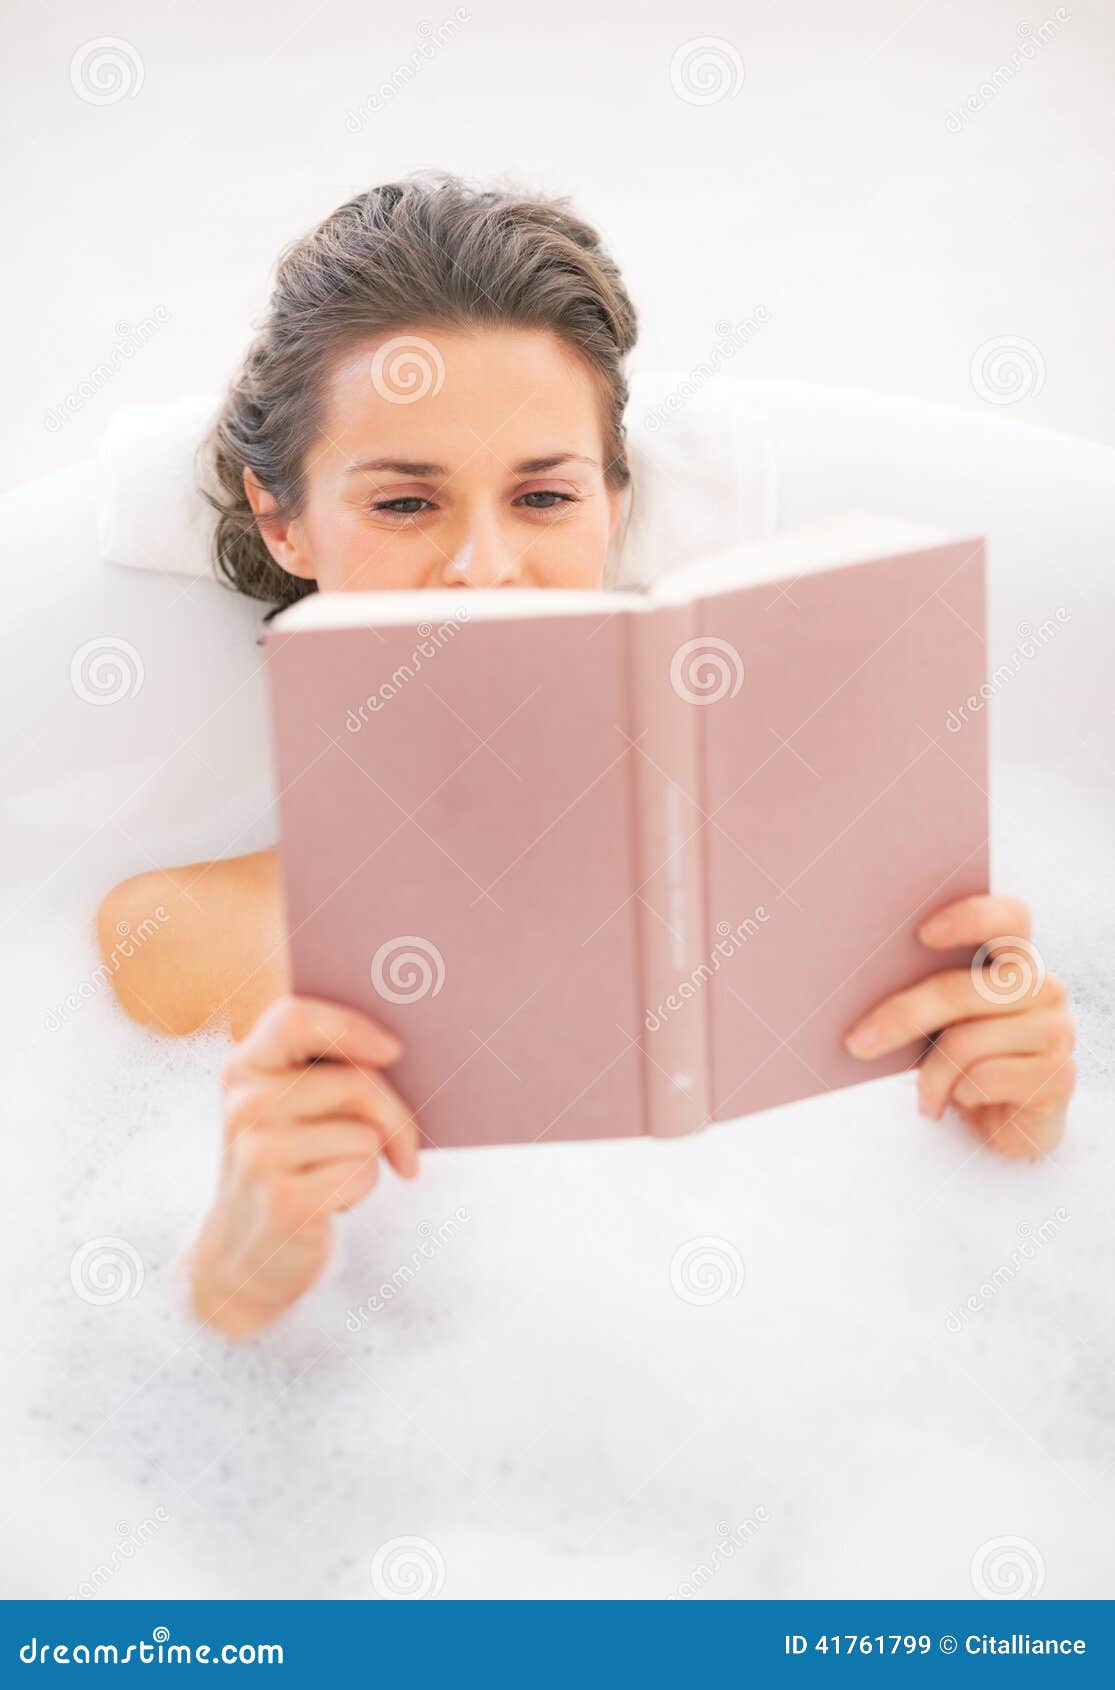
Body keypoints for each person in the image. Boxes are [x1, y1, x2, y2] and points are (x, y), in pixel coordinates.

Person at [97, 173, 1076, 1338]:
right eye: (406, 504)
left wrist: (1025, 1136)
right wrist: (237, 1275)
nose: (485, 568)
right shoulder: (175, 944)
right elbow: (118, 1400)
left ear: (613, 503)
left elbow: (984, 1302)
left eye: (543, 495)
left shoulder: (827, 875)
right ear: (281, 519)